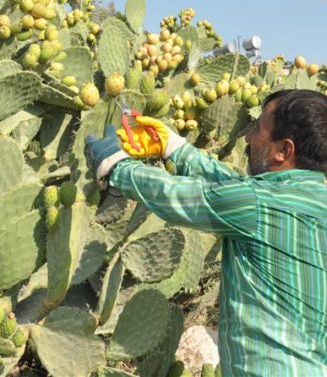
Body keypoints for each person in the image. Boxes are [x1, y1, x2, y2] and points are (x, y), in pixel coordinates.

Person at [84, 89, 327, 376]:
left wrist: (116, 167)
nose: (248, 138)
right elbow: (235, 188)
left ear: (284, 150)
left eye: (258, 129)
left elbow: (178, 196)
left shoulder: (258, 205)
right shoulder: (313, 200)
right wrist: (174, 147)